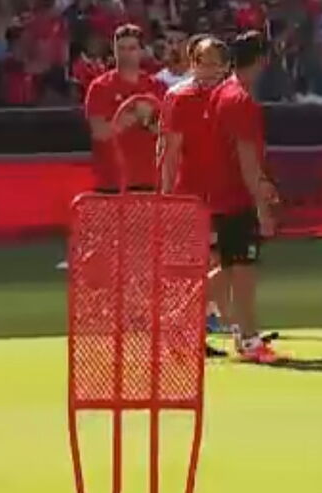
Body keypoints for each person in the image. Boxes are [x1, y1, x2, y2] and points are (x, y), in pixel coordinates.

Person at [206, 31, 280, 364]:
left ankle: (177, 319)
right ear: (261, 60)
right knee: (243, 272)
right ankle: (250, 341)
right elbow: (247, 159)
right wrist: (262, 208)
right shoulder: (241, 101)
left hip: (223, 194)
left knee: (228, 269)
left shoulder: (221, 93)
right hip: (237, 198)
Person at [161, 36, 231, 340]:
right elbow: (170, 150)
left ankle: (201, 316)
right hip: (189, 193)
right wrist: (166, 196)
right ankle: (190, 322)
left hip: (227, 193)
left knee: (226, 259)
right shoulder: (179, 97)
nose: (210, 70)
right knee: (191, 262)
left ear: (226, 67)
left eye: (216, 64)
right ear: (193, 64)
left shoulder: (234, 98)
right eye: (204, 63)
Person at [84, 23, 166, 193]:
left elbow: (167, 133)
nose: (126, 54)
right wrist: (134, 115)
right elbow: (100, 133)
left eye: (132, 49)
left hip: (149, 180)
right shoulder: (100, 87)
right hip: (112, 181)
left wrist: (148, 119)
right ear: (113, 50)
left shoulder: (157, 87)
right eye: (121, 49)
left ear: (142, 51)